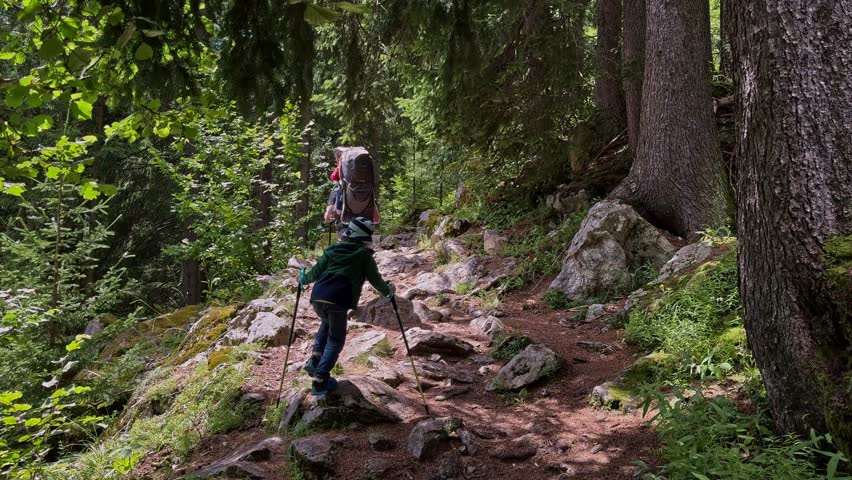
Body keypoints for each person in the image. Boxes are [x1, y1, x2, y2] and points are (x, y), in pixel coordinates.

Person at [298, 217, 395, 396]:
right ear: (366, 238)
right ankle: (320, 380)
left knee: (326, 324)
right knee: (336, 339)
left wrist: (302, 277)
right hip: (339, 299)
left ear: (347, 234)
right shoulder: (364, 256)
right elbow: (376, 280)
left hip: (318, 297)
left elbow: (313, 274)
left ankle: (315, 360)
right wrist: (388, 292)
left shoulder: (331, 250)